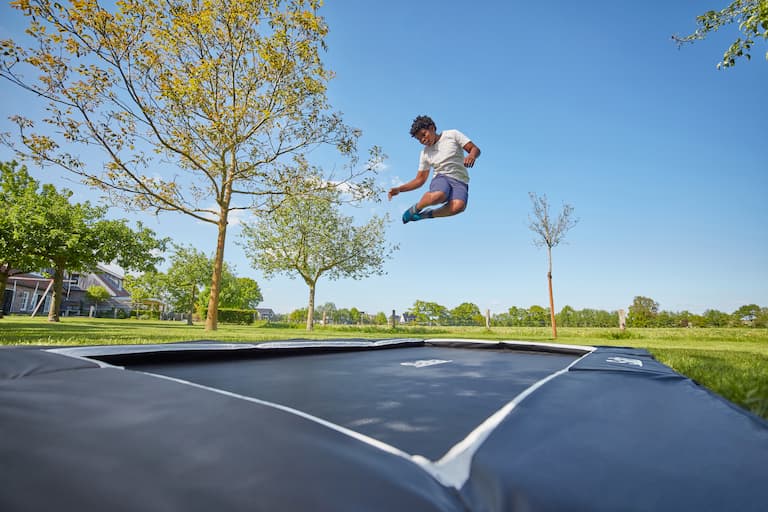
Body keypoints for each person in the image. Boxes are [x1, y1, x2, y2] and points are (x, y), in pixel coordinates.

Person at [388, 115, 480, 223]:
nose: (423, 140)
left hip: (461, 181)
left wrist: (471, 156)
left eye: (424, 134)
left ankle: (426, 215)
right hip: (442, 177)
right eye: (419, 139)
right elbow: (420, 180)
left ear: (432, 128)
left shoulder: (452, 134)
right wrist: (399, 189)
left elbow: (474, 148)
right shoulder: (425, 153)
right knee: (439, 195)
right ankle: (415, 209)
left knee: (459, 207)